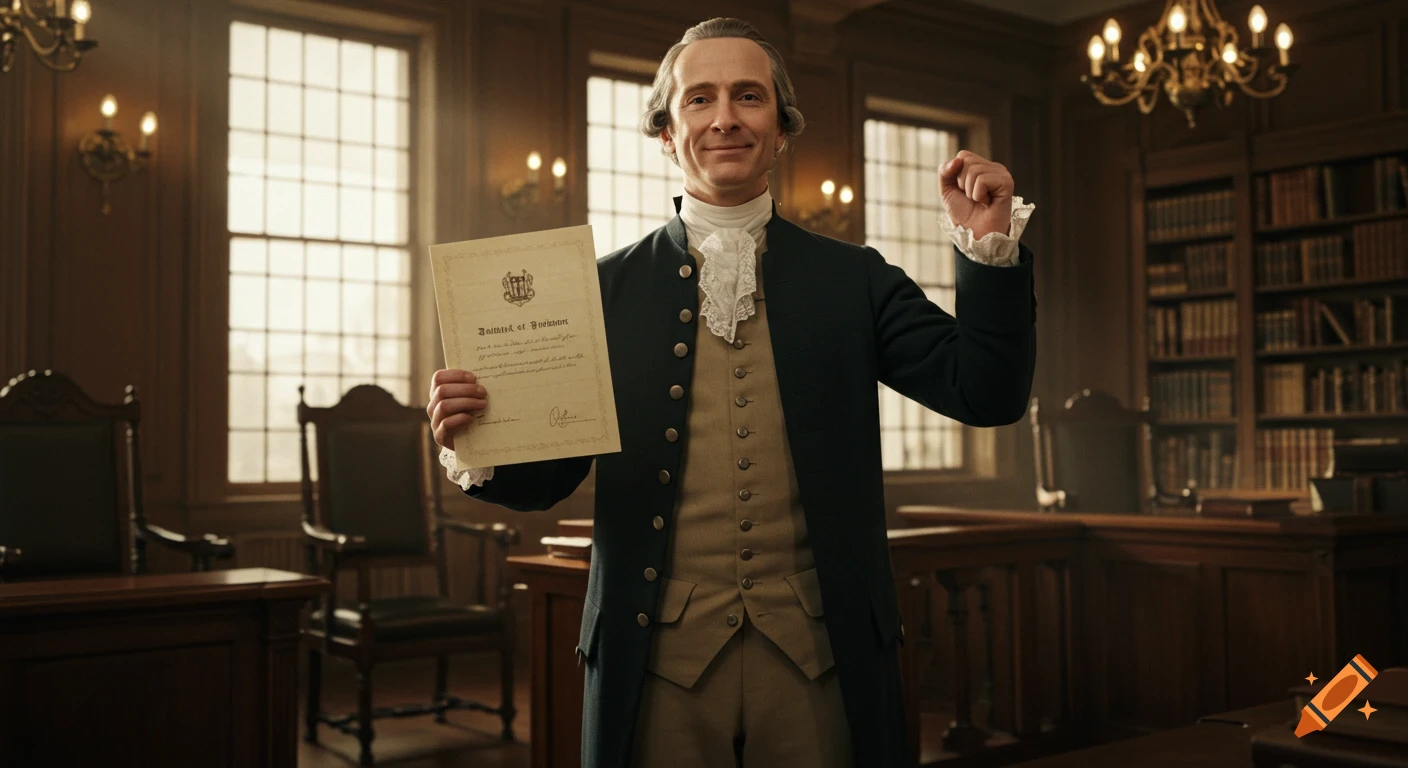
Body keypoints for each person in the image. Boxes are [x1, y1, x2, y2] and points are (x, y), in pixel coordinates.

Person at [427, 17, 1036, 768]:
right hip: (656, 663)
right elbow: (549, 478)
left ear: (781, 131)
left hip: (822, 660)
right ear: (665, 133)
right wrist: (479, 439)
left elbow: (986, 393)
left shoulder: (854, 279)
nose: (725, 118)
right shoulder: (597, 291)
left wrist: (988, 250)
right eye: (699, 99)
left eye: (749, 97)